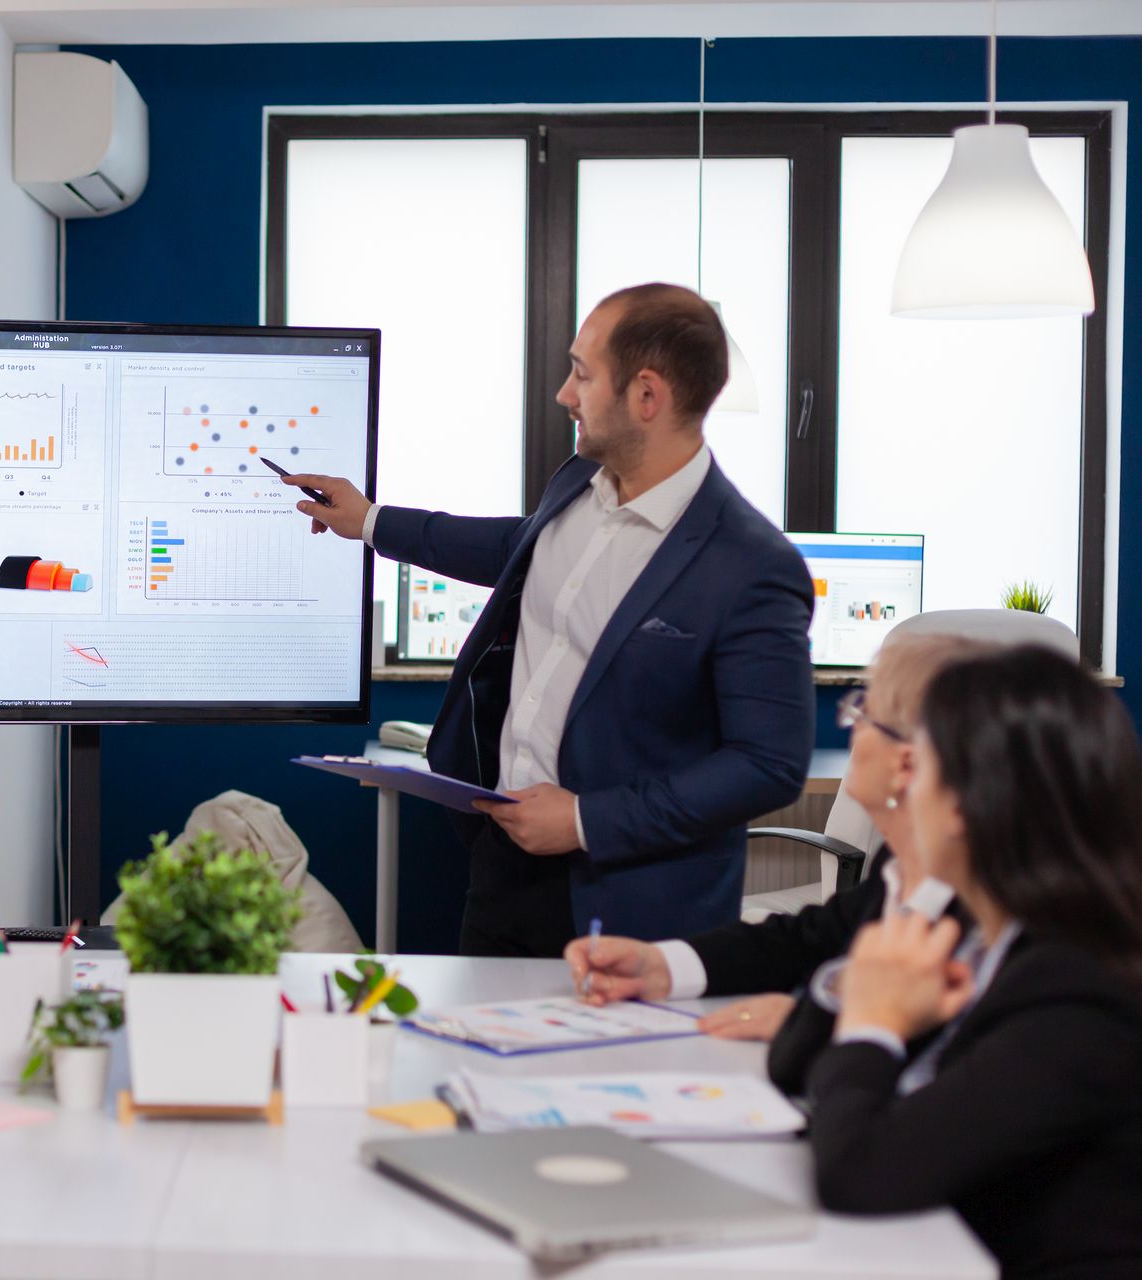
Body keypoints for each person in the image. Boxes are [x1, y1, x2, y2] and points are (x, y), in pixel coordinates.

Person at [284, 283, 812, 955]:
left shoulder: (752, 565)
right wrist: (372, 523)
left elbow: (768, 764)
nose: (565, 394)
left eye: (583, 374)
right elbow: (516, 550)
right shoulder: (575, 484)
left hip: (631, 898)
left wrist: (588, 820)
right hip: (503, 865)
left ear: (647, 396)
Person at [806, 646, 1142, 1278]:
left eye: (922, 766)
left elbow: (862, 1173)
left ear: (961, 807)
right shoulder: (1001, 942)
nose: (906, 783)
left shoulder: (1078, 989)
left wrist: (872, 1022)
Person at [563, 631, 983, 1091]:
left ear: (905, 765)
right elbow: (808, 939)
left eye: (864, 713)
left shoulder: (979, 926)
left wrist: (810, 1022)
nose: (852, 727)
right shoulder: (900, 866)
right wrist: (661, 965)